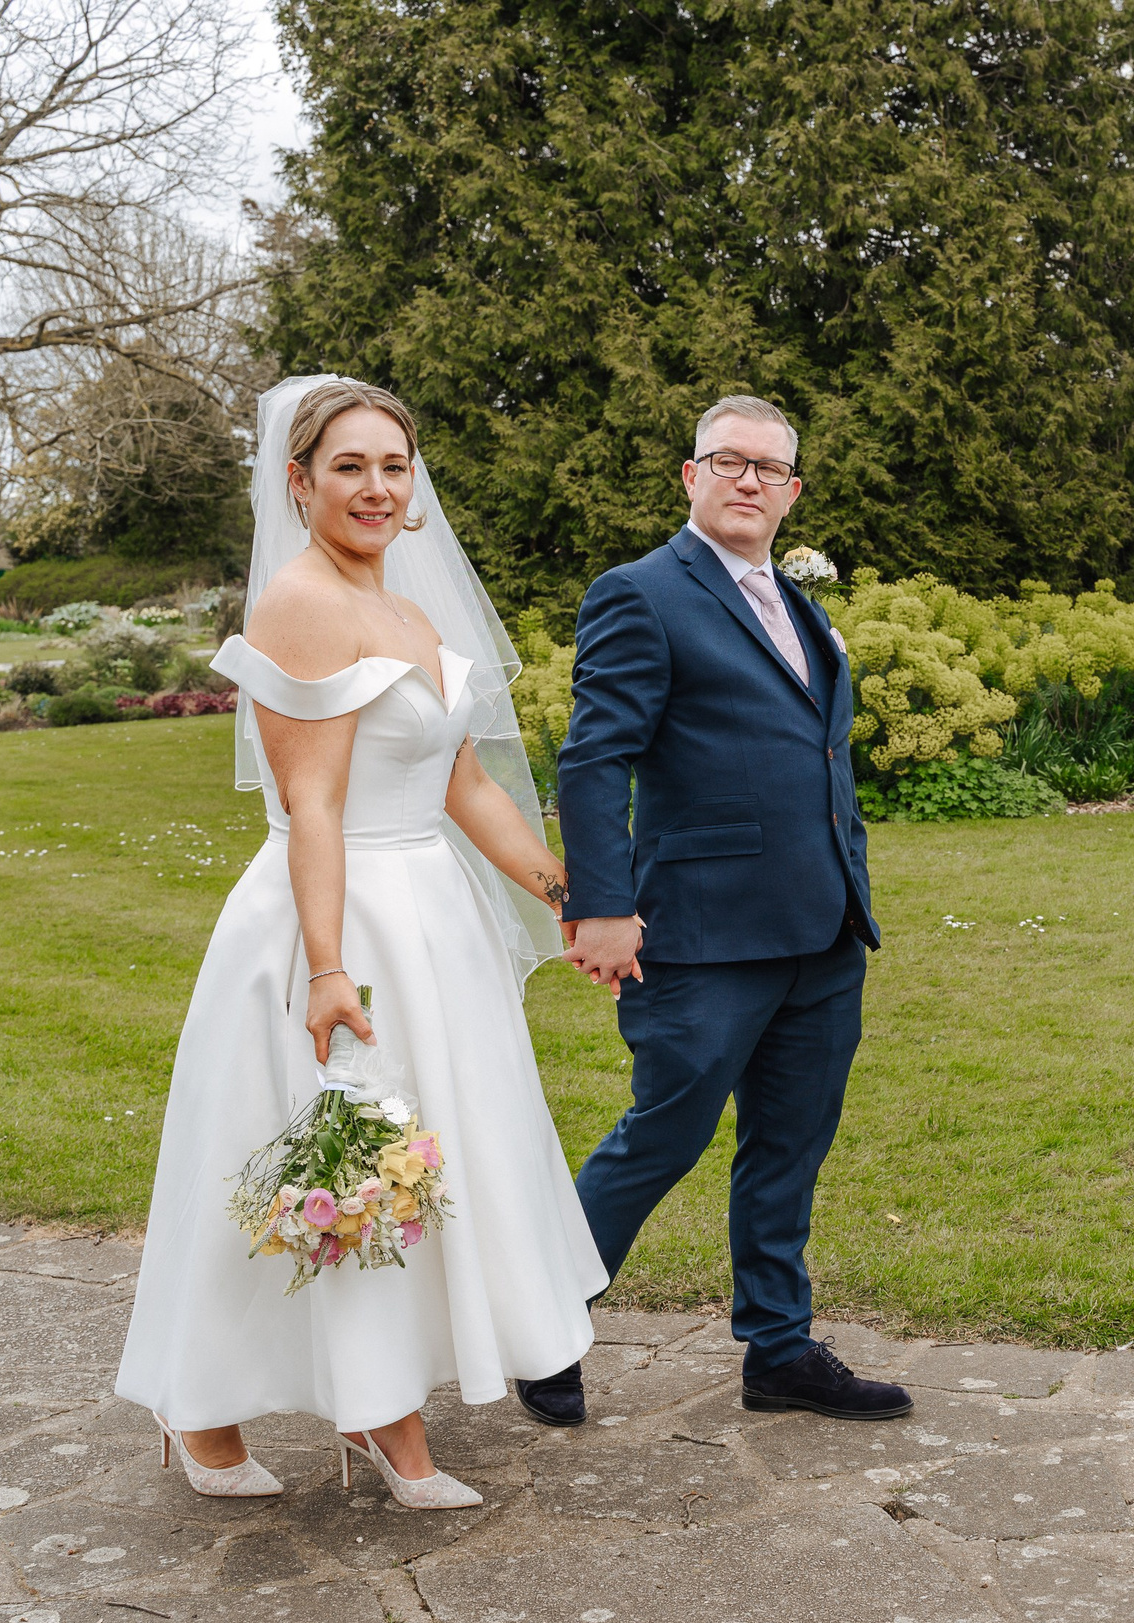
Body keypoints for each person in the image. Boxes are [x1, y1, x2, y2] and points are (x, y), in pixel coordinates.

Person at [115, 376, 605, 1507]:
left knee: (417, 1164)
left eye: (394, 466)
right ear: (299, 482)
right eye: (349, 467)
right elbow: (318, 805)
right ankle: (234, 1415)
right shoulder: (302, 602)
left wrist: (561, 886)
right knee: (334, 1165)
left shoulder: (411, 613)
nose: (377, 487)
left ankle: (376, 1414)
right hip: (333, 920)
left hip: (431, 919)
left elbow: (465, 783)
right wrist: (328, 967)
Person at [521, 395, 908, 1426]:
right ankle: (543, 1324)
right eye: (727, 461)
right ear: (689, 476)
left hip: (822, 931)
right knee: (662, 1136)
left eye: (769, 469)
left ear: (790, 491)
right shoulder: (641, 593)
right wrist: (601, 905)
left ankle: (778, 1348)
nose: (748, 481)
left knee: (789, 1144)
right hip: (702, 933)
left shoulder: (796, 603)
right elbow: (595, 755)